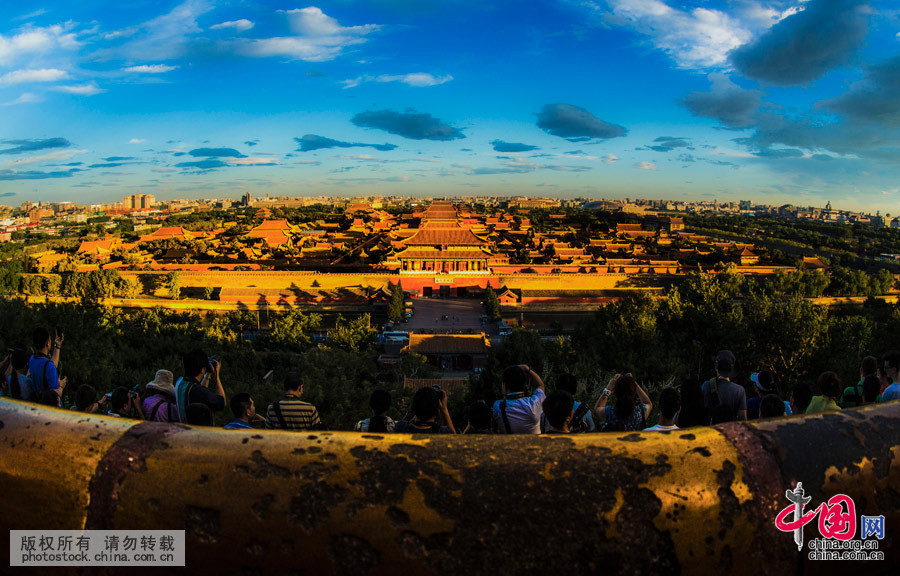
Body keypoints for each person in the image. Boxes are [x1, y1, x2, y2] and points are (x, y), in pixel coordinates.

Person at [492, 364, 545, 434]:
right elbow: (540, 385)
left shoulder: (497, 407)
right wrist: (527, 369)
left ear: (504, 386)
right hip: (535, 444)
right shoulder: (534, 403)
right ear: (524, 384)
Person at [175, 349, 226, 423]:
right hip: (196, 432)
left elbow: (201, 390)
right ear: (202, 370)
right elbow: (222, 402)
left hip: (183, 429)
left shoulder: (180, 382)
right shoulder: (197, 391)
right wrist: (217, 377)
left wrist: (207, 375)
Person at [701, 350, 747, 421]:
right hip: (730, 430)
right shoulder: (739, 391)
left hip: (710, 430)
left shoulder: (706, 386)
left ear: (716, 368)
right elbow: (743, 418)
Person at [28, 327, 66, 401]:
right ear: (47, 343)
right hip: (50, 406)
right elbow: (55, 395)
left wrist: (57, 346)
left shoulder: (32, 359)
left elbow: (47, 367)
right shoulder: (48, 366)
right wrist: (61, 387)